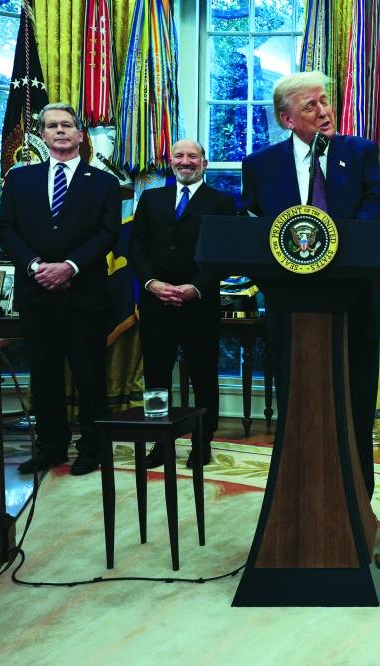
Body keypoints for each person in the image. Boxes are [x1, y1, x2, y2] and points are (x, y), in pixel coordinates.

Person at [240, 71, 380, 496]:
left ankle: (357, 501)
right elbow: (251, 231)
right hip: (291, 308)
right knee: (298, 409)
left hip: (355, 304)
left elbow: (375, 212)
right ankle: (296, 497)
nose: (324, 111)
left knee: (355, 407)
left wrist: (334, 253)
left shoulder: (359, 153)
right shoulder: (261, 166)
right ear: (287, 119)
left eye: (325, 100)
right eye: (311, 105)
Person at [0, 102, 121, 476]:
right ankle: (51, 447)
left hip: (85, 295)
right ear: (42, 135)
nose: (60, 131)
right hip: (37, 294)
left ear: (80, 134)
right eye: (52, 126)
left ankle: (92, 448)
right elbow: (6, 229)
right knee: (44, 374)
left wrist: (70, 267)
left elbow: (108, 233)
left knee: (89, 374)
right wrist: (37, 266)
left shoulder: (104, 182)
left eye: (67, 125)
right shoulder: (19, 179)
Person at [130, 139, 238, 469]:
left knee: (203, 375)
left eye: (193, 156)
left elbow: (224, 254)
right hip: (156, 303)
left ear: (204, 163)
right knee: (156, 376)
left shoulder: (222, 202)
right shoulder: (151, 199)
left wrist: (196, 287)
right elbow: (136, 248)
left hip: (199, 305)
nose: (185, 161)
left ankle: (201, 442)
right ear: (171, 161)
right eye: (179, 156)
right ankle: (159, 441)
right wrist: (151, 283)